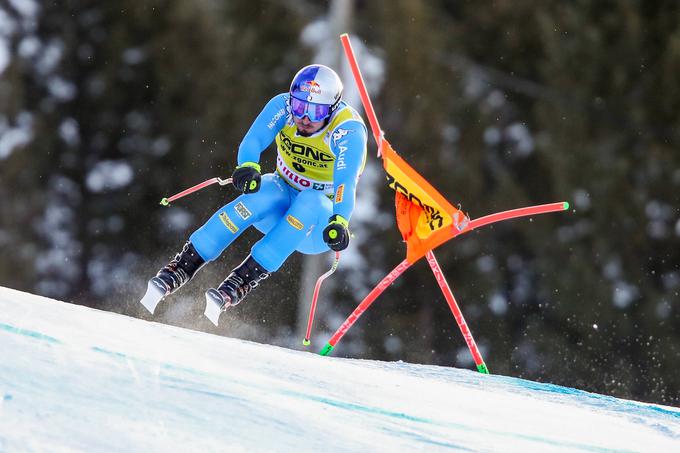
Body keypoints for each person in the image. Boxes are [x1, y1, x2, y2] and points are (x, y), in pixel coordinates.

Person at [140, 64, 368, 326]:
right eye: (299, 107)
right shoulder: (282, 106)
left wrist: (339, 221)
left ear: (332, 109)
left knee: (310, 201)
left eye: (315, 111)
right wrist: (248, 166)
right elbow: (253, 140)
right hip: (280, 201)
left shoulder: (347, 131)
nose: (304, 118)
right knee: (265, 191)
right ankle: (180, 267)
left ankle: (239, 282)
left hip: (316, 225)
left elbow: (345, 183)